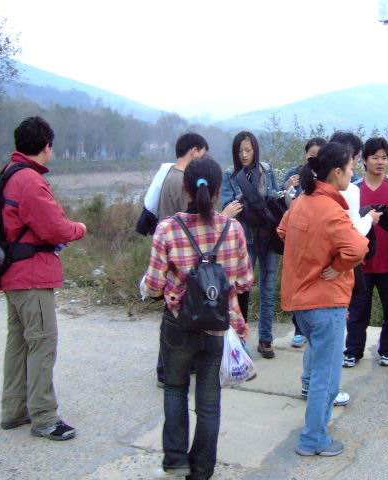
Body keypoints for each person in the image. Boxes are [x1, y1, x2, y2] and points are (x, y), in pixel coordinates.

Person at [144, 155, 253, 479]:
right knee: (209, 401)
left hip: (178, 323)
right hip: (217, 327)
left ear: (186, 188)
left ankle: (176, 460)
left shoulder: (168, 228)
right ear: (218, 190)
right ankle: (202, 470)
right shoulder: (233, 229)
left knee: (175, 388)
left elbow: (153, 286)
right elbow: (245, 281)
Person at [0, 116, 87, 440]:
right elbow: (55, 228)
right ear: (46, 146)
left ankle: (13, 411)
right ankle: (45, 417)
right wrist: (79, 228)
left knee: (19, 344)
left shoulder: (10, 173)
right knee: (43, 344)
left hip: (13, 274)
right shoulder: (30, 181)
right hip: (32, 276)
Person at [278, 142, 369, 457]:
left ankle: (315, 433)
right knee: (326, 377)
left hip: (301, 301)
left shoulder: (302, 200)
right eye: (351, 168)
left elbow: (283, 231)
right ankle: (314, 439)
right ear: (337, 172)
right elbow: (358, 248)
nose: (353, 173)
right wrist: (338, 265)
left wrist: (310, 256)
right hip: (325, 303)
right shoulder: (331, 209)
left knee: (319, 368)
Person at [343, 137, 388, 369]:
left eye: (384, 157)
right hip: (362, 262)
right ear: (364, 160)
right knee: (357, 311)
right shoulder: (354, 189)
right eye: (375, 157)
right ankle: (353, 351)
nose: (380, 162)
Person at [154, 133, 209, 387]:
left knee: (174, 313)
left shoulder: (169, 175)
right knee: (176, 315)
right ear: (194, 151)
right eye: (203, 154)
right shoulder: (182, 181)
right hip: (180, 256)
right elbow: (193, 219)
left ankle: (173, 368)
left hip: (170, 253)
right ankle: (167, 371)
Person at [221, 131, 281, 359]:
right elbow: (228, 205)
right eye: (240, 151)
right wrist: (250, 201)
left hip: (269, 235)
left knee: (268, 289)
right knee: (241, 290)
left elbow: (274, 197)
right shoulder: (230, 175)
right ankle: (240, 340)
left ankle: (266, 339)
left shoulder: (267, 170)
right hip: (245, 239)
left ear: (255, 150)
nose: (244, 155)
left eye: (248, 150)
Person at [282, 137, 327, 348]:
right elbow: (283, 202)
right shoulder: (294, 173)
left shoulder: (329, 175)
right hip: (298, 237)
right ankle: (299, 329)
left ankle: (314, 327)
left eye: (319, 156)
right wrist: (288, 187)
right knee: (299, 284)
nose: (314, 159)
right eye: (311, 155)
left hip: (319, 239)